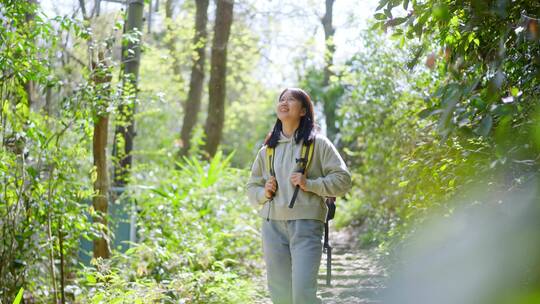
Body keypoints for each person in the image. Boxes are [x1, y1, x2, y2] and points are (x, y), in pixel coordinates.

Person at [247, 88, 352, 304]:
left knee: (303, 291)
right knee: (280, 292)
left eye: (291, 100)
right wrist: (263, 192)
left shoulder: (319, 144)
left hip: (307, 226)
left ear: (303, 111)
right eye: (281, 99)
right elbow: (252, 188)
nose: (284, 103)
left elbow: (343, 181)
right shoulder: (267, 150)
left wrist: (310, 184)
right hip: (272, 227)